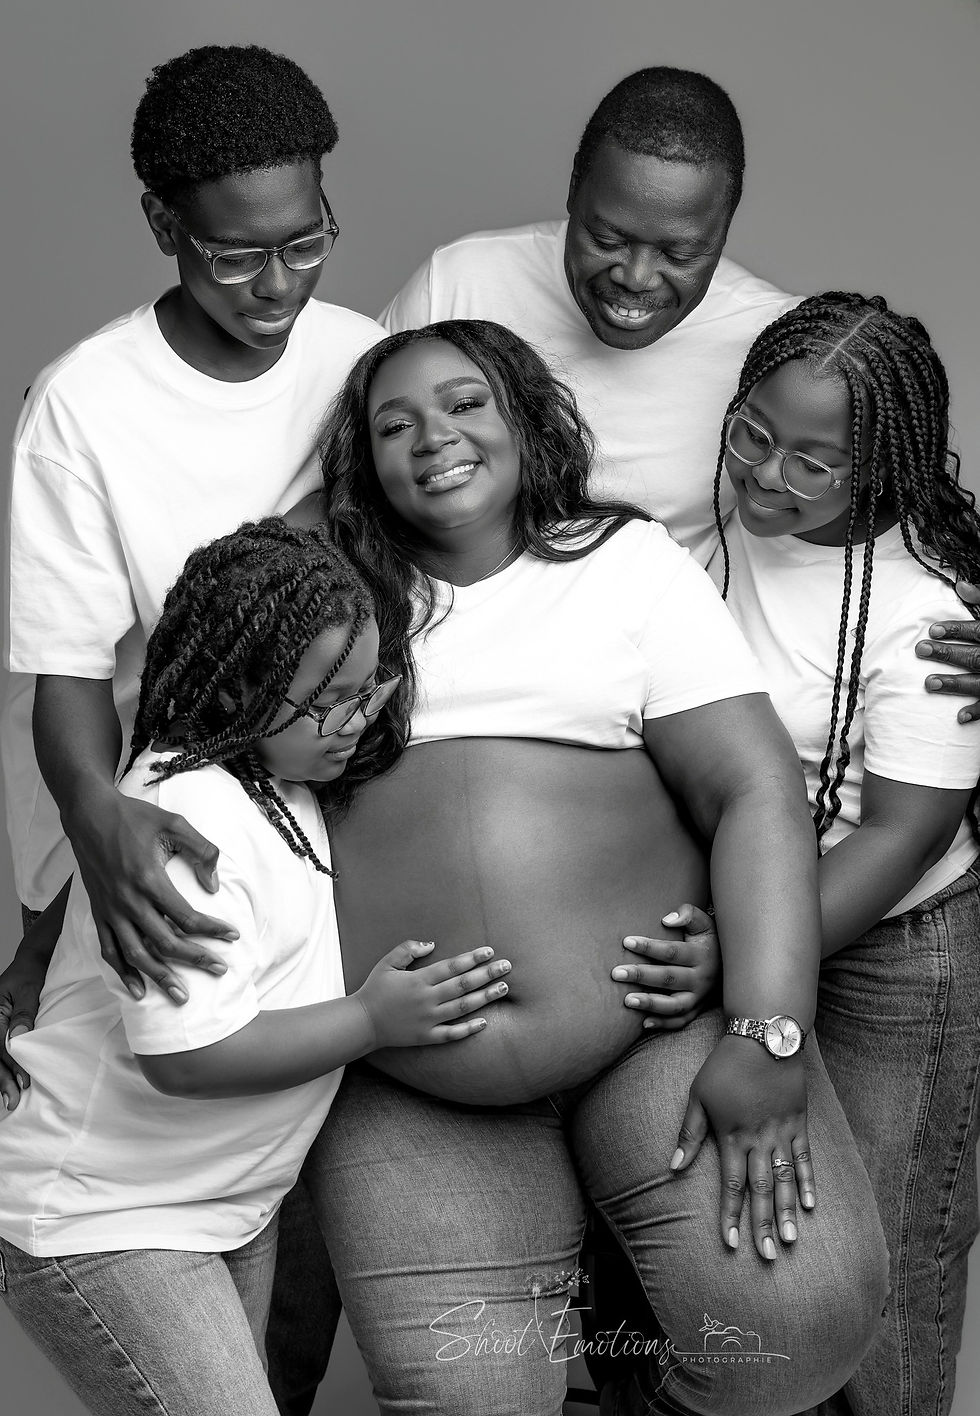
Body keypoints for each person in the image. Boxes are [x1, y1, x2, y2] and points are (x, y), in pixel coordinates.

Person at [281, 319, 887, 1416]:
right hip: (408, 1079)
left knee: (796, 1330)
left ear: (524, 415)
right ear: (360, 462)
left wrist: (768, 1029)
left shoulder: (622, 564)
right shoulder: (323, 600)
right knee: (466, 1399)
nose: (433, 437)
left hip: (648, 1038)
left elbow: (752, 791)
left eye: (465, 403)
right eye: (392, 424)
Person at [0, 519, 511, 1416]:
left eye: (369, 689)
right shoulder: (188, 817)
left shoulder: (280, 781)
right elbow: (188, 1056)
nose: (357, 718)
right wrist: (373, 1020)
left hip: (222, 1204)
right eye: (329, 699)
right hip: (105, 1215)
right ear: (238, 686)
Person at [624, 293, 980, 1415]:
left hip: (891, 950)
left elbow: (901, 831)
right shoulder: (704, 529)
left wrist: (745, 961)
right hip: (744, 920)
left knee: (886, 1264)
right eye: (752, 434)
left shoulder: (924, 611)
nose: (767, 474)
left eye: (814, 463)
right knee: (756, 1253)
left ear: (881, 469)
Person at [1, 43, 383, 960]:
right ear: (164, 225)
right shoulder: (84, 404)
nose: (279, 285)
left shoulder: (362, 357)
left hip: (305, 768)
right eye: (236, 256)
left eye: (306, 243)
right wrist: (94, 827)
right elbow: (69, 675)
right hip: (138, 779)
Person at [381, 66, 798, 566]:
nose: (637, 278)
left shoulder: (777, 345)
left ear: (725, 222)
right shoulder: (459, 281)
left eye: (679, 254)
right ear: (575, 184)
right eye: (607, 239)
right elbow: (345, 461)